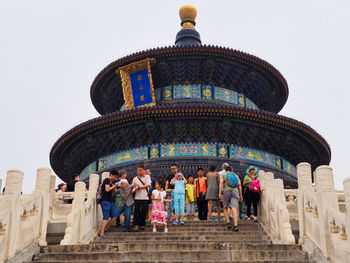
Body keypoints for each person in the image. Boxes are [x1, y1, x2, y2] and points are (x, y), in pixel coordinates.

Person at [219, 166, 243, 232]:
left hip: (226, 191)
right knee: (234, 208)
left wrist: (220, 192)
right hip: (235, 192)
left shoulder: (224, 174)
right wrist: (240, 195)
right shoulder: (235, 175)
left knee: (225, 207)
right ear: (232, 170)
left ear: (225, 170)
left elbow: (221, 183)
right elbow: (239, 185)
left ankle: (228, 223)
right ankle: (235, 225)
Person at [99, 170, 119, 237]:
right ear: (111, 174)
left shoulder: (112, 182)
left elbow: (115, 191)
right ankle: (101, 233)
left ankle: (105, 229)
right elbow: (107, 189)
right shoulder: (107, 180)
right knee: (106, 217)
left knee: (114, 216)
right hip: (105, 201)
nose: (115, 178)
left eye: (116, 177)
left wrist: (115, 187)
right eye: (115, 176)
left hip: (111, 201)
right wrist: (113, 186)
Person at [132, 165, 151, 231]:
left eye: (141, 170)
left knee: (144, 212)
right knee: (136, 212)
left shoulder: (147, 177)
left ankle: (142, 224)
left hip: (145, 197)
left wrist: (139, 187)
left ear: (144, 170)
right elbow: (133, 186)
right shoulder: (135, 178)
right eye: (138, 170)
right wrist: (133, 187)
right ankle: (136, 225)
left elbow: (148, 184)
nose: (139, 171)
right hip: (137, 197)